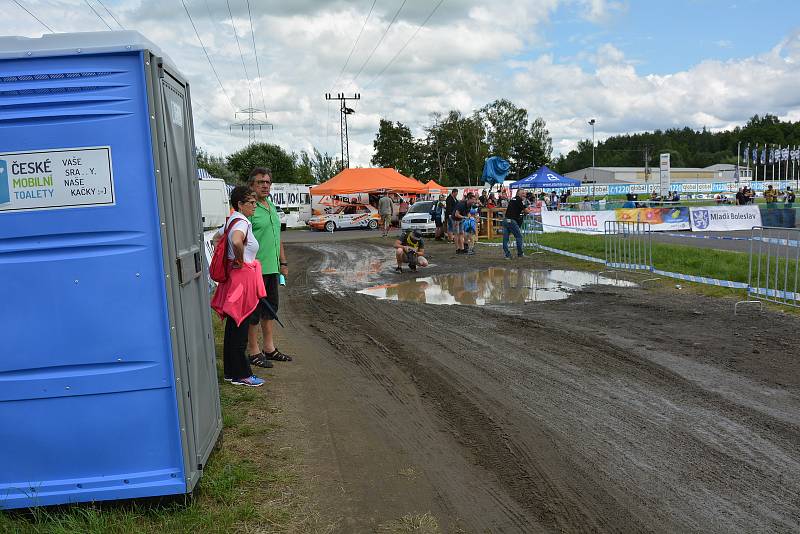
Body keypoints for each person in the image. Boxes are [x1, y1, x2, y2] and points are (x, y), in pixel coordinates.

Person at [211, 186, 266, 387]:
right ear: (240, 204)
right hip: (242, 280)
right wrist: (240, 259)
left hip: (235, 280)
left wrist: (227, 257)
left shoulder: (231, 221)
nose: (254, 205)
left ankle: (231, 372)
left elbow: (217, 238)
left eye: (254, 202)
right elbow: (235, 241)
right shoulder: (242, 222)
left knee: (234, 327)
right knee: (240, 325)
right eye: (250, 202)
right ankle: (242, 374)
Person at [246, 168, 292, 367]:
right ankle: (254, 351)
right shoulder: (249, 209)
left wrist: (283, 262)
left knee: (271, 310)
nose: (265, 185)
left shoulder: (271, 206)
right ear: (252, 185)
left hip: (272, 269)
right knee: (254, 314)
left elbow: (277, 238)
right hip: (255, 270)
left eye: (267, 182)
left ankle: (269, 348)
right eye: (260, 182)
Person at [502, 188, 526, 259]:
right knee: (519, 237)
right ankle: (520, 254)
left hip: (506, 220)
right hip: (512, 221)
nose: (524, 195)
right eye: (523, 193)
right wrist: (527, 209)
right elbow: (526, 211)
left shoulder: (513, 199)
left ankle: (507, 255)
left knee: (505, 239)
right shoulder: (519, 200)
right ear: (518, 194)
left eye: (524, 193)